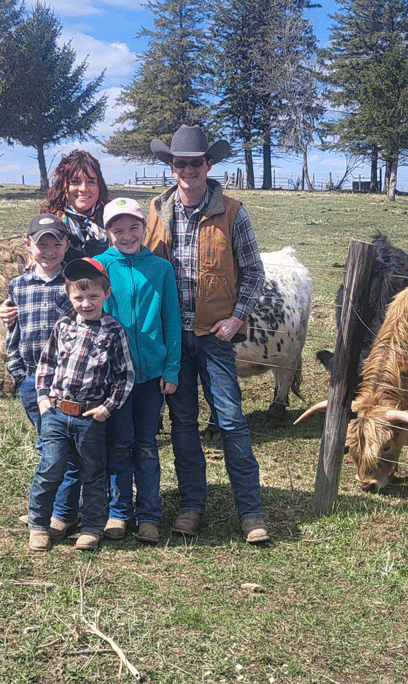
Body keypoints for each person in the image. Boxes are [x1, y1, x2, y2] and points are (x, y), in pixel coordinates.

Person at [146, 124, 270, 544]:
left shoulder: (234, 211)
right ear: (172, 167)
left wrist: (236, 318)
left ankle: (250, 511)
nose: (188, 170)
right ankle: (191, 506)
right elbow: (140, 267)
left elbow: (253, 272)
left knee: (232, 421)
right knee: (182, 423)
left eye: (195, 163)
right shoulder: (155, 212)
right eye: (180, 163)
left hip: (215, 337)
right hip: (173, 338)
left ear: (208, 164)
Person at [28, 258, 134, 552]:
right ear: (68, 295)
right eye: (78, 297)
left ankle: (91, 527)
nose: (86, 303)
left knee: (93, 471)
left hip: (90, 416)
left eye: (93, 297)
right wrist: (42, 397)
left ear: (106, 294)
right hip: (57, 412)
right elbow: (47, 363)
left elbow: (125, 376)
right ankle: (39, 524)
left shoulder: (114, 332)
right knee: (51, 466)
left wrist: (106, 409)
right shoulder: (62, 326)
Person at [95, 197, 181, 544]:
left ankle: (148, 515)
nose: (126, 235)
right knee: (118, 444)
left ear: (145, 229)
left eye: (133, 227)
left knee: (146, 444)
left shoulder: (161, 269)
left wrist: (171, 368)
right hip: (114, 377)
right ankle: (118, 513)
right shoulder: (98, 267)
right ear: (107, 232)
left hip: (149, 376)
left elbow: (171, 321)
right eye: (118, 229)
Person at [5, 214, 79, 538]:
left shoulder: (74, 284)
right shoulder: (18, 286)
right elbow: (13, 333)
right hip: (31, 380)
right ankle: (49, 508)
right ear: (28, 246)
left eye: (56, 243)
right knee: (45, 447)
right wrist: (18, 373)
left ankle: (60, 514)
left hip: (66, 384)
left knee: (66, 451)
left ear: (67, 246)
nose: (49, 250)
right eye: (41, 243)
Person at [0, 149, 111, 326]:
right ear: (63, 185)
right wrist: (9, 308)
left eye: (91, 181)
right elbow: (33, 274)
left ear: (99, 185)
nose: (84, 189)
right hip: (61, 318)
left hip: (108, 314)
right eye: (75, 182)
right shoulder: (51, 223)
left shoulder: (112, 222)